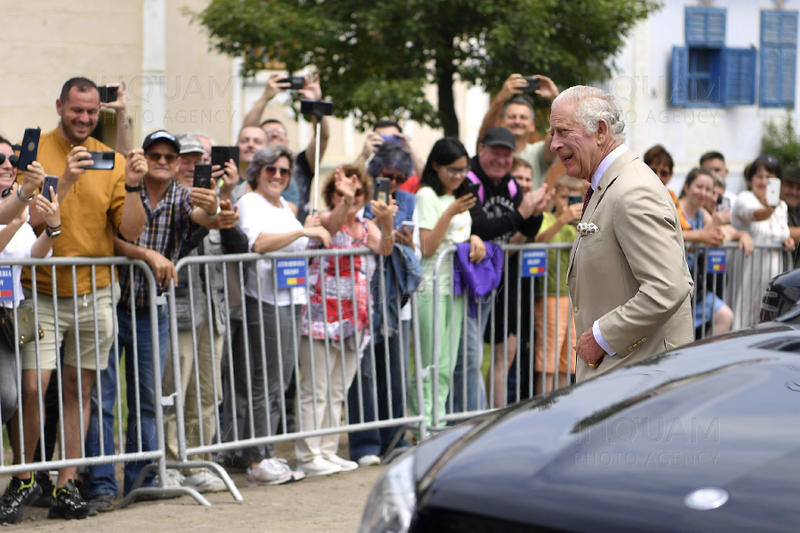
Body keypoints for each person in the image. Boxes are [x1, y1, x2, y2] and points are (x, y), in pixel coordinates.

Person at [2, 77, 146, 522]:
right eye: (76, 110)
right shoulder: (35, 151)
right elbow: (25, 223)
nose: (83, 119)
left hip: (95, 290)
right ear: (60, 105)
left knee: (78, 388)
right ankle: (26, 477)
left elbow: (132, 230)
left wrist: (137, 185)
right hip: (39, 292)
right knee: (31, 386)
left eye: (91, 112)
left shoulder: (114, 158)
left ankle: (67, 484)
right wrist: (62, 181)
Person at [84, 130, 221, 509]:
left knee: (147, 399)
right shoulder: (123, 186)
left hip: (151, 311)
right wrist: (147, 254)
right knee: (102, 399)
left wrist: (214, 209)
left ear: (178, 164)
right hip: (111, 303)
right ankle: (100, 483)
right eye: (154, 155)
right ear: (143, 158)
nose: (161, 161)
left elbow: (203, 217)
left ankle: (140, 480)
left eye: (168, 157)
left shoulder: (181, 195)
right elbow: (106, 239)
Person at [549, 85, 694, 381]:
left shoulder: (632, 190)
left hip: (643, 382)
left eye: (563, 131)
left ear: (600, 131)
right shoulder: (609, 186)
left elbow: (668, 287)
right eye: (552, 133)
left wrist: (602, 337)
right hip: (626, 378)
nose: (553, 144)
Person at [233, 145, 329, 484]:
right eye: (270, 169)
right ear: (257, 172)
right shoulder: (249, 202)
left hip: (293, 297)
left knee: (282, 381)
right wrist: (303, 230)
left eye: (284, 171)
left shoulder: (285, 207)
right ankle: (258, 459)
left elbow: (301, 241)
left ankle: (267, 452)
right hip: (265, 299)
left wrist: (309, 226)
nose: (277, 176)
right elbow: (258, 243)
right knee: (265, 381)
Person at [160, 134, 247, 494]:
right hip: (179, 310)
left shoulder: (217, 200)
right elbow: (179, 245)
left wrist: (224, 214)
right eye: (187, 159)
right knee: (173, 390)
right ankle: (167, 462)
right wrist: (206, 219)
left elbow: (238, 249)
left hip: (213, 309)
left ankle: (197, 457)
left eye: (201, 160)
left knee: (208, 392)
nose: (193, 167)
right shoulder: (166, 200)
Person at [295, 165, 395, 477]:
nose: (350, 199)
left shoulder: (366, 226)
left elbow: (385, 248)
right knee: (317, 389)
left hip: (356, 318)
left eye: (356, 193)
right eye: (340, 193)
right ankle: (308, 455)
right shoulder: (320, 219)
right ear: (332, 196)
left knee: (338, 389)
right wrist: (345, 203)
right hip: (321, 317)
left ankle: (326, 450)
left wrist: (388, 222)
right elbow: (334, 225)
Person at [459, 126, 547, 410]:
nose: (501, 160)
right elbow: (479, 227)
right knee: (467, 355)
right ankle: (467, 416)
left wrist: (536, 211)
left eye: (506, 155)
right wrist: (521, 213)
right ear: (481, 148)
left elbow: (527, 227)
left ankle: (485, 414)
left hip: (494, 277)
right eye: (495, 152)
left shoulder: (508, 184)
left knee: (495, 353)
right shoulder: (469, 179)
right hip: (463, 279)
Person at [0, 137, 62, 525]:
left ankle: (22, 477)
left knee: (9, 398)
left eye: (12, 158)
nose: (8, 163)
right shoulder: (14, 209)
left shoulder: (16, 208)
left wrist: (51, 230)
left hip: (8, 316)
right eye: (0, 160)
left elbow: (32, 258)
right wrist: (18, 214)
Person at [346, 143, 420, 466]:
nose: (391, 182)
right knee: (363, 373)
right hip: (359, 296)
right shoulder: (359, 199)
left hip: (393, 298)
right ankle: (364, 444)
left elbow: (415, 247)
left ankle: (394, 438)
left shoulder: (408, 201)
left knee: (394, 371)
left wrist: (407, 240)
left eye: (399, 177)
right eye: (385, 175)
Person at [411, 137, 485, 427]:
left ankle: (436, 419)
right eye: (452, 170)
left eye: (463, 170)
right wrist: (450, 212)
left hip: (456, 286)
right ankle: (423, 423)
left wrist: (475, 238)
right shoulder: (427, 195)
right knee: (429, 360)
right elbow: (428, 246)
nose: (458, 176)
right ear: (436, 166)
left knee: (446, 363)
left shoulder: (462, 196)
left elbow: (461, 235)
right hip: (431, 286)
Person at [241, 72, 331, 223]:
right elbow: (247, 132)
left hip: (298, 240)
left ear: (288, 142)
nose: (275, 134)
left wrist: (316, 104)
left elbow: (322, 137)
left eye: (280, 132)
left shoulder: (301, 164)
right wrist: (265, 97)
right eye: (269, 133)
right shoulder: (251, 166)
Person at [532, 174, 583, 393]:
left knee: (568, 359)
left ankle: (560, 403)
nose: (568, 204)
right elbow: (538, 241)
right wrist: (562, 219)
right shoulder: (547, 219)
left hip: (574, 296)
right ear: (554, 196)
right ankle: (543, 404)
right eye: (564, 198)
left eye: (573, 199)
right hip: (551, 294)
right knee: (549, 356)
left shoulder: (580, 225)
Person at [731, 155, 794, 328]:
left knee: (769, 317)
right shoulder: (744, 198)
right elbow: (757, 215)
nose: (763, 181)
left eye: (769, 177)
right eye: (759, 176)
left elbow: (779, 232)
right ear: (750, 180)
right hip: (748, 272)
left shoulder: (782, 206)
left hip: (774, 274)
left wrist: (786, 240)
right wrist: (769, 209)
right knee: (745, 315)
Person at [477, 73, 560, 190]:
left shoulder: (538, 153)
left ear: (532, 126)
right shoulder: (492, 152)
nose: (517, 121)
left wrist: (555, 99)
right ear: (502, 123)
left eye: (523, 117)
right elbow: (483, 137)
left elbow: (558, 132)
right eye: (512, 117)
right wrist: (500, 99)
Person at [677, 168, 734, 335]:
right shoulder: (674, 207)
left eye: (708, 189)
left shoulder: (703, 213)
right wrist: (703, 234)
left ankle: (706, 359)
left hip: (696, 285)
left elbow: (719, 234)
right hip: (674, 283)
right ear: (687, 187)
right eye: (699, 187)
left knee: (725, 316)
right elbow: (673, 235)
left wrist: (741, 235)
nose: (704, 192)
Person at [354, 119, 425, 193]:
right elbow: (348, 183)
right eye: (382, 139)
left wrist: (411, 149)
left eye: (393, 139)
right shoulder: (366, 175)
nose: (388, 145)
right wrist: (363, 155)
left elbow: (428, 184)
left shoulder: (408, 176)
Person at [781, 163, 800, 265]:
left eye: (799, 188)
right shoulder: (773, 208)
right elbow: (780, 232)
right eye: (790, 186)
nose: (794, 192)